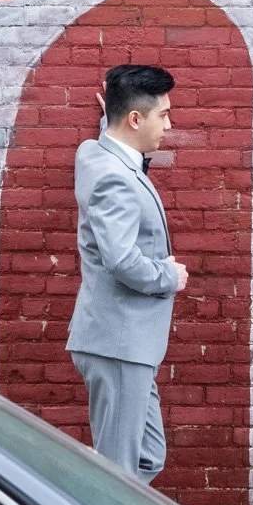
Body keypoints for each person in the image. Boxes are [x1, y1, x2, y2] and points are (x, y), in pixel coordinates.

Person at [68, 65, 188, 482]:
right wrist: (167, 277)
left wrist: (110, 114)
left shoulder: (95, 152)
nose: (168, 125)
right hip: (119, 344)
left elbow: (110, 134)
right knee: (118, 475)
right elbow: (120, 261)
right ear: (136, 119)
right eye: (163, 115)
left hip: (130, 347)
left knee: (146, 458)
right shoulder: (114, 178)